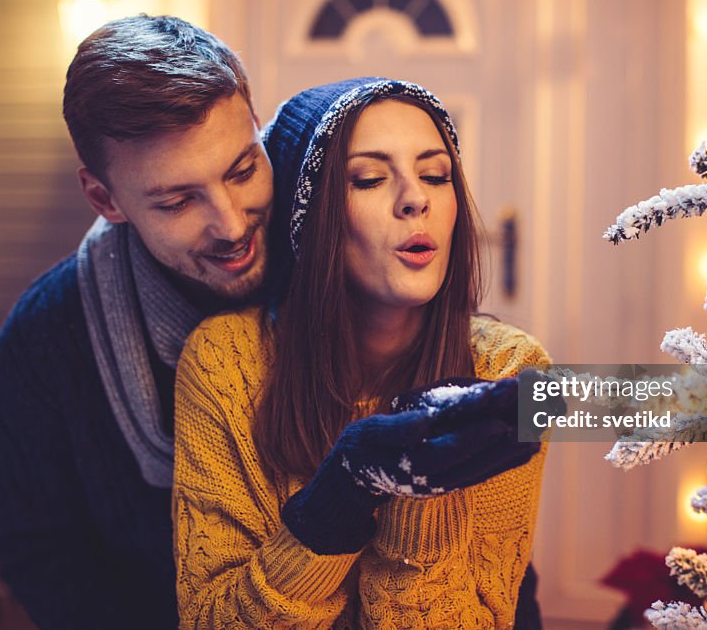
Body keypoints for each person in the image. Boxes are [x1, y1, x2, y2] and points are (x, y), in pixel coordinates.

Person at [172, 78, 551, 628]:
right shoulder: (225, 360)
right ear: (309, 221)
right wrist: (343, 493)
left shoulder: (509, 371)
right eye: (370, 179)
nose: (416, 198)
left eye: (436, 175)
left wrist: (419, 498)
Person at [0, 15, 275, 629]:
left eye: (243, 170)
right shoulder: (38, 343)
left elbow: (500, 381)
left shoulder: (342, 236)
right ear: (105, 199)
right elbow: (42, 557)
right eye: (177, 201)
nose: (231, 223)